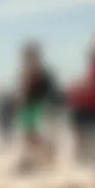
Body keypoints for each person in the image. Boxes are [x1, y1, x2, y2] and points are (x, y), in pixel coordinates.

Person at [17, 41, 60, 172]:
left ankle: (44, 155)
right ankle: (40, 157)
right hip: (31, 106)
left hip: (34, 106)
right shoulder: (35, 71)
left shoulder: (37, 72)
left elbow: (31, 90)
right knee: (31, 135)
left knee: (33, 134)